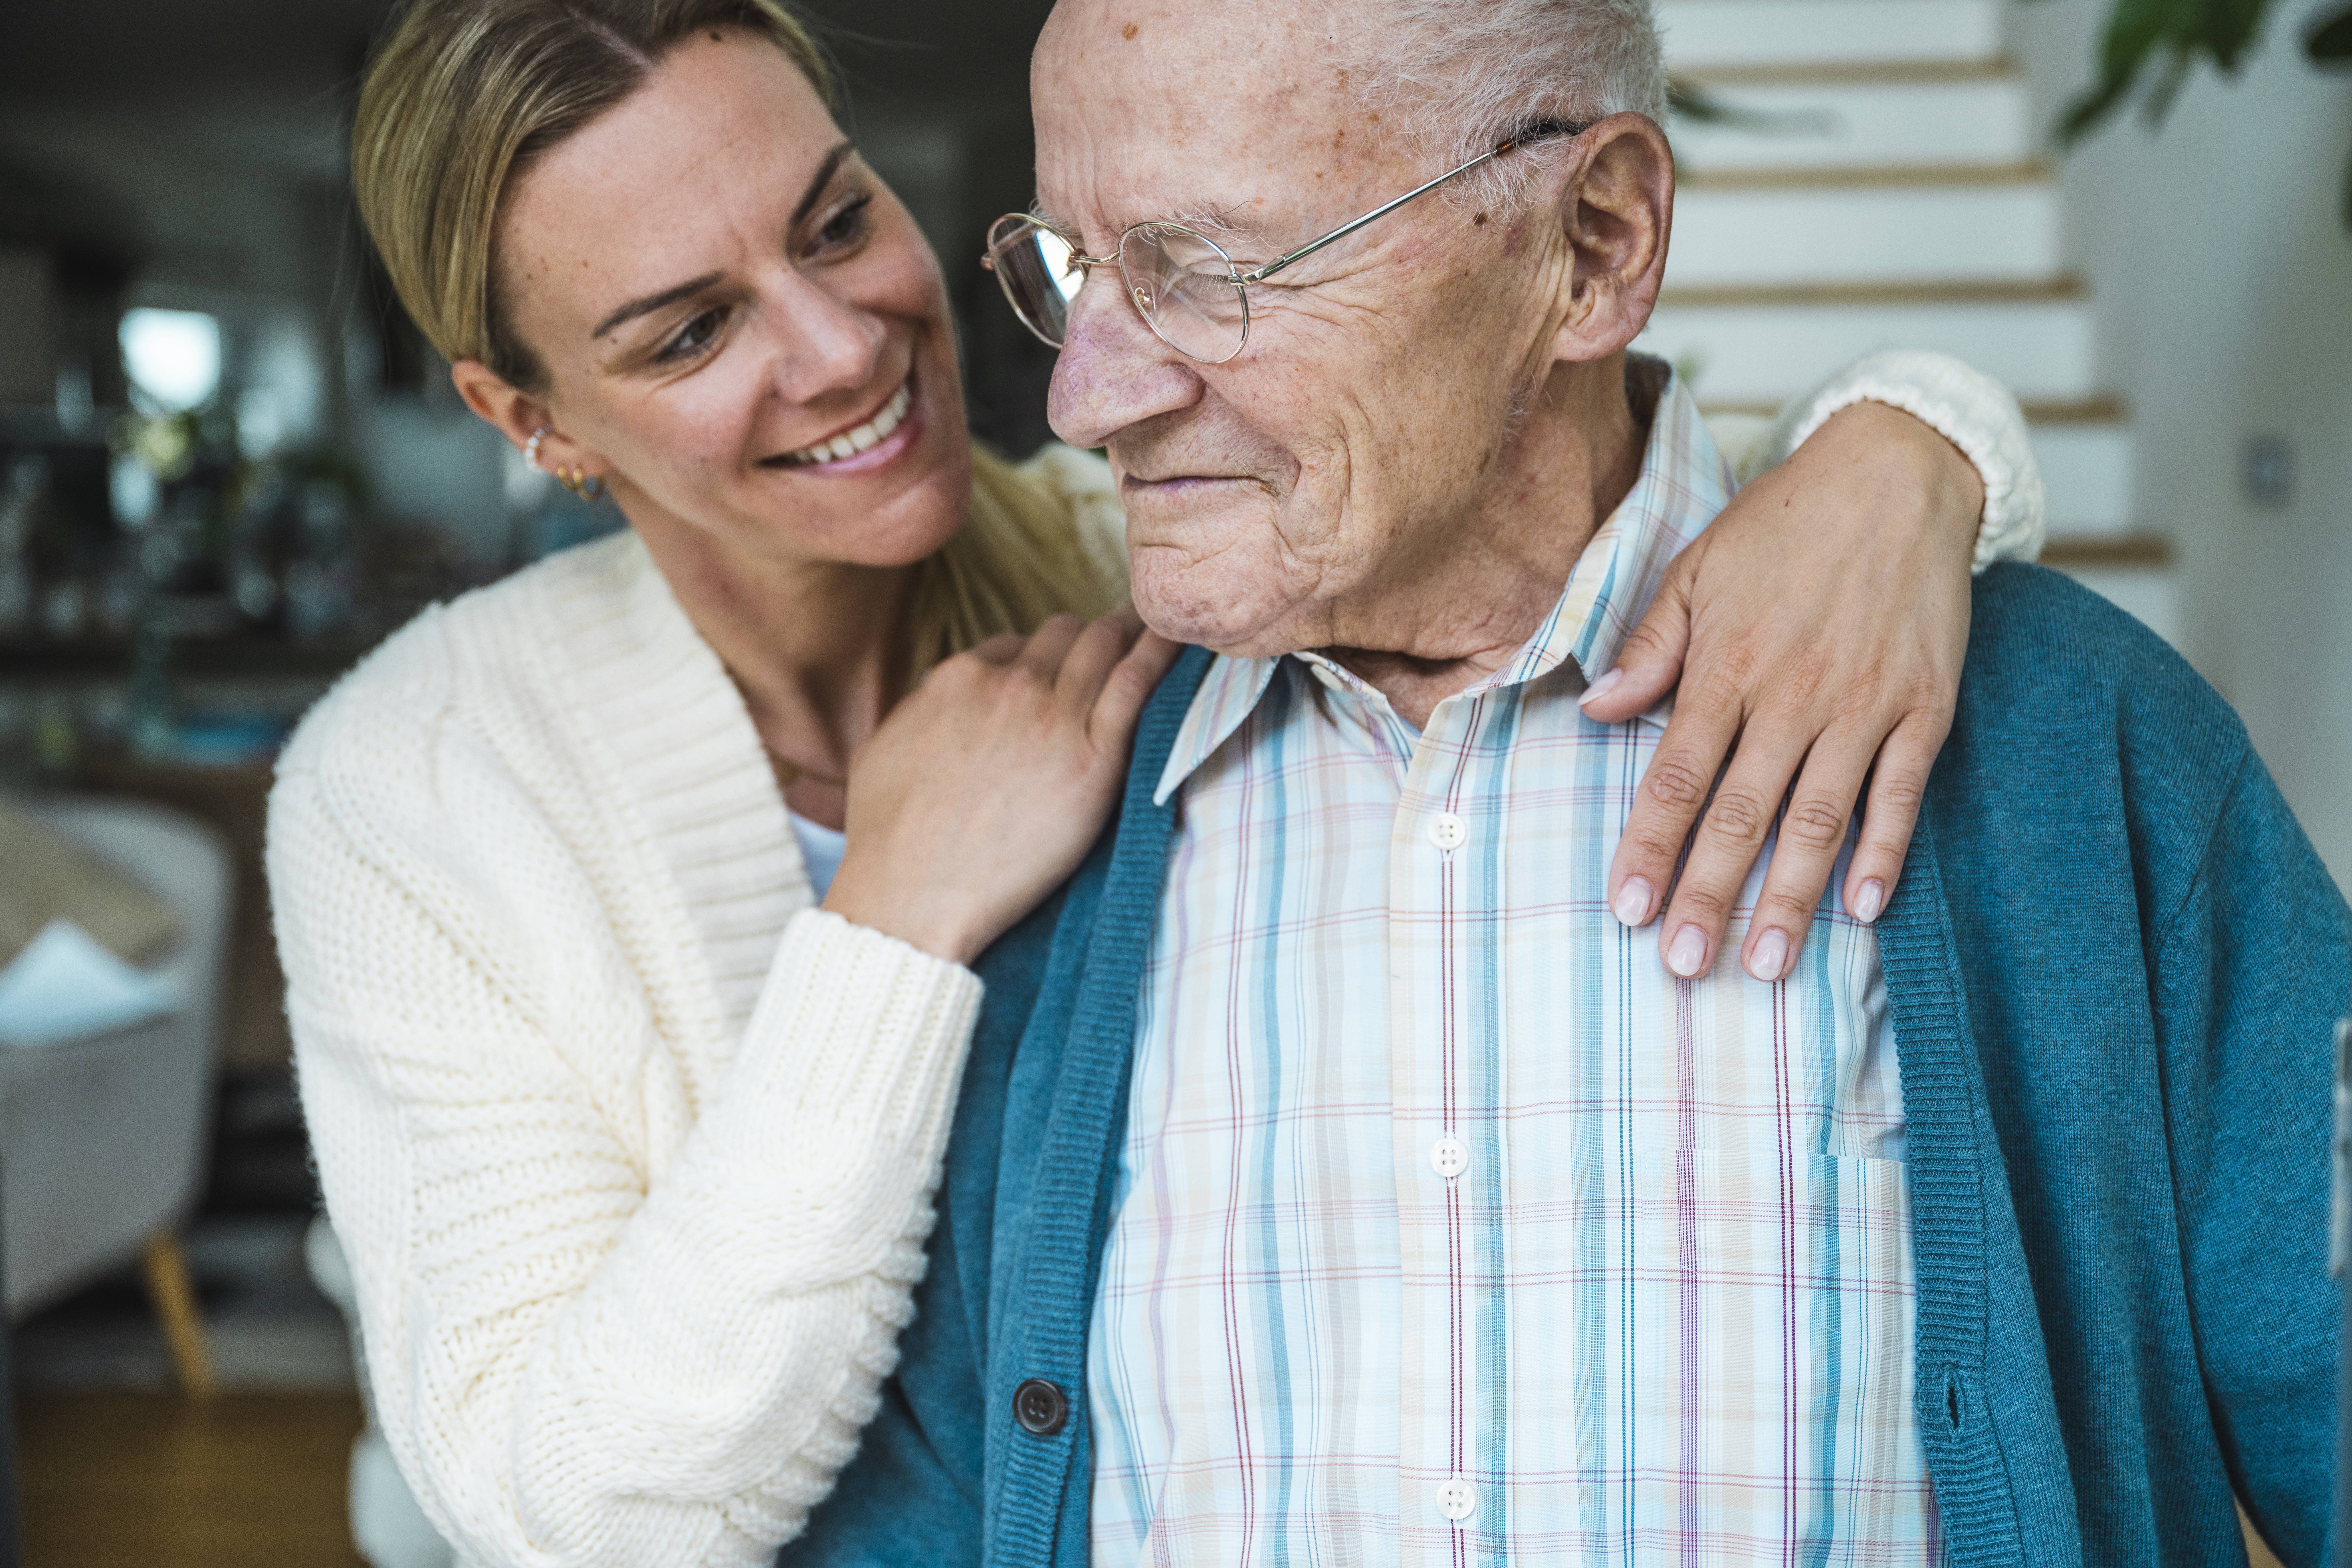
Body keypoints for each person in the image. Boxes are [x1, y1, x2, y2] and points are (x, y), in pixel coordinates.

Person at [270, 2, 2054, 1565]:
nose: (837, 349)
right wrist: (891, 918)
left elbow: (1543, 461)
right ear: (534, 423)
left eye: (836, 222)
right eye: (685, 333)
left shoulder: (1165, 557)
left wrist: (1913, 444)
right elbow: (571, 1514)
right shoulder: (411, 784)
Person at [782, 0, 2352, 1564]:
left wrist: (1919, 446)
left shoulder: (2071, 758)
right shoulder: (1026, 831)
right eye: (1073, 266)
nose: (1083, 400)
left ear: (1592, 245)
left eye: (1210, 273)